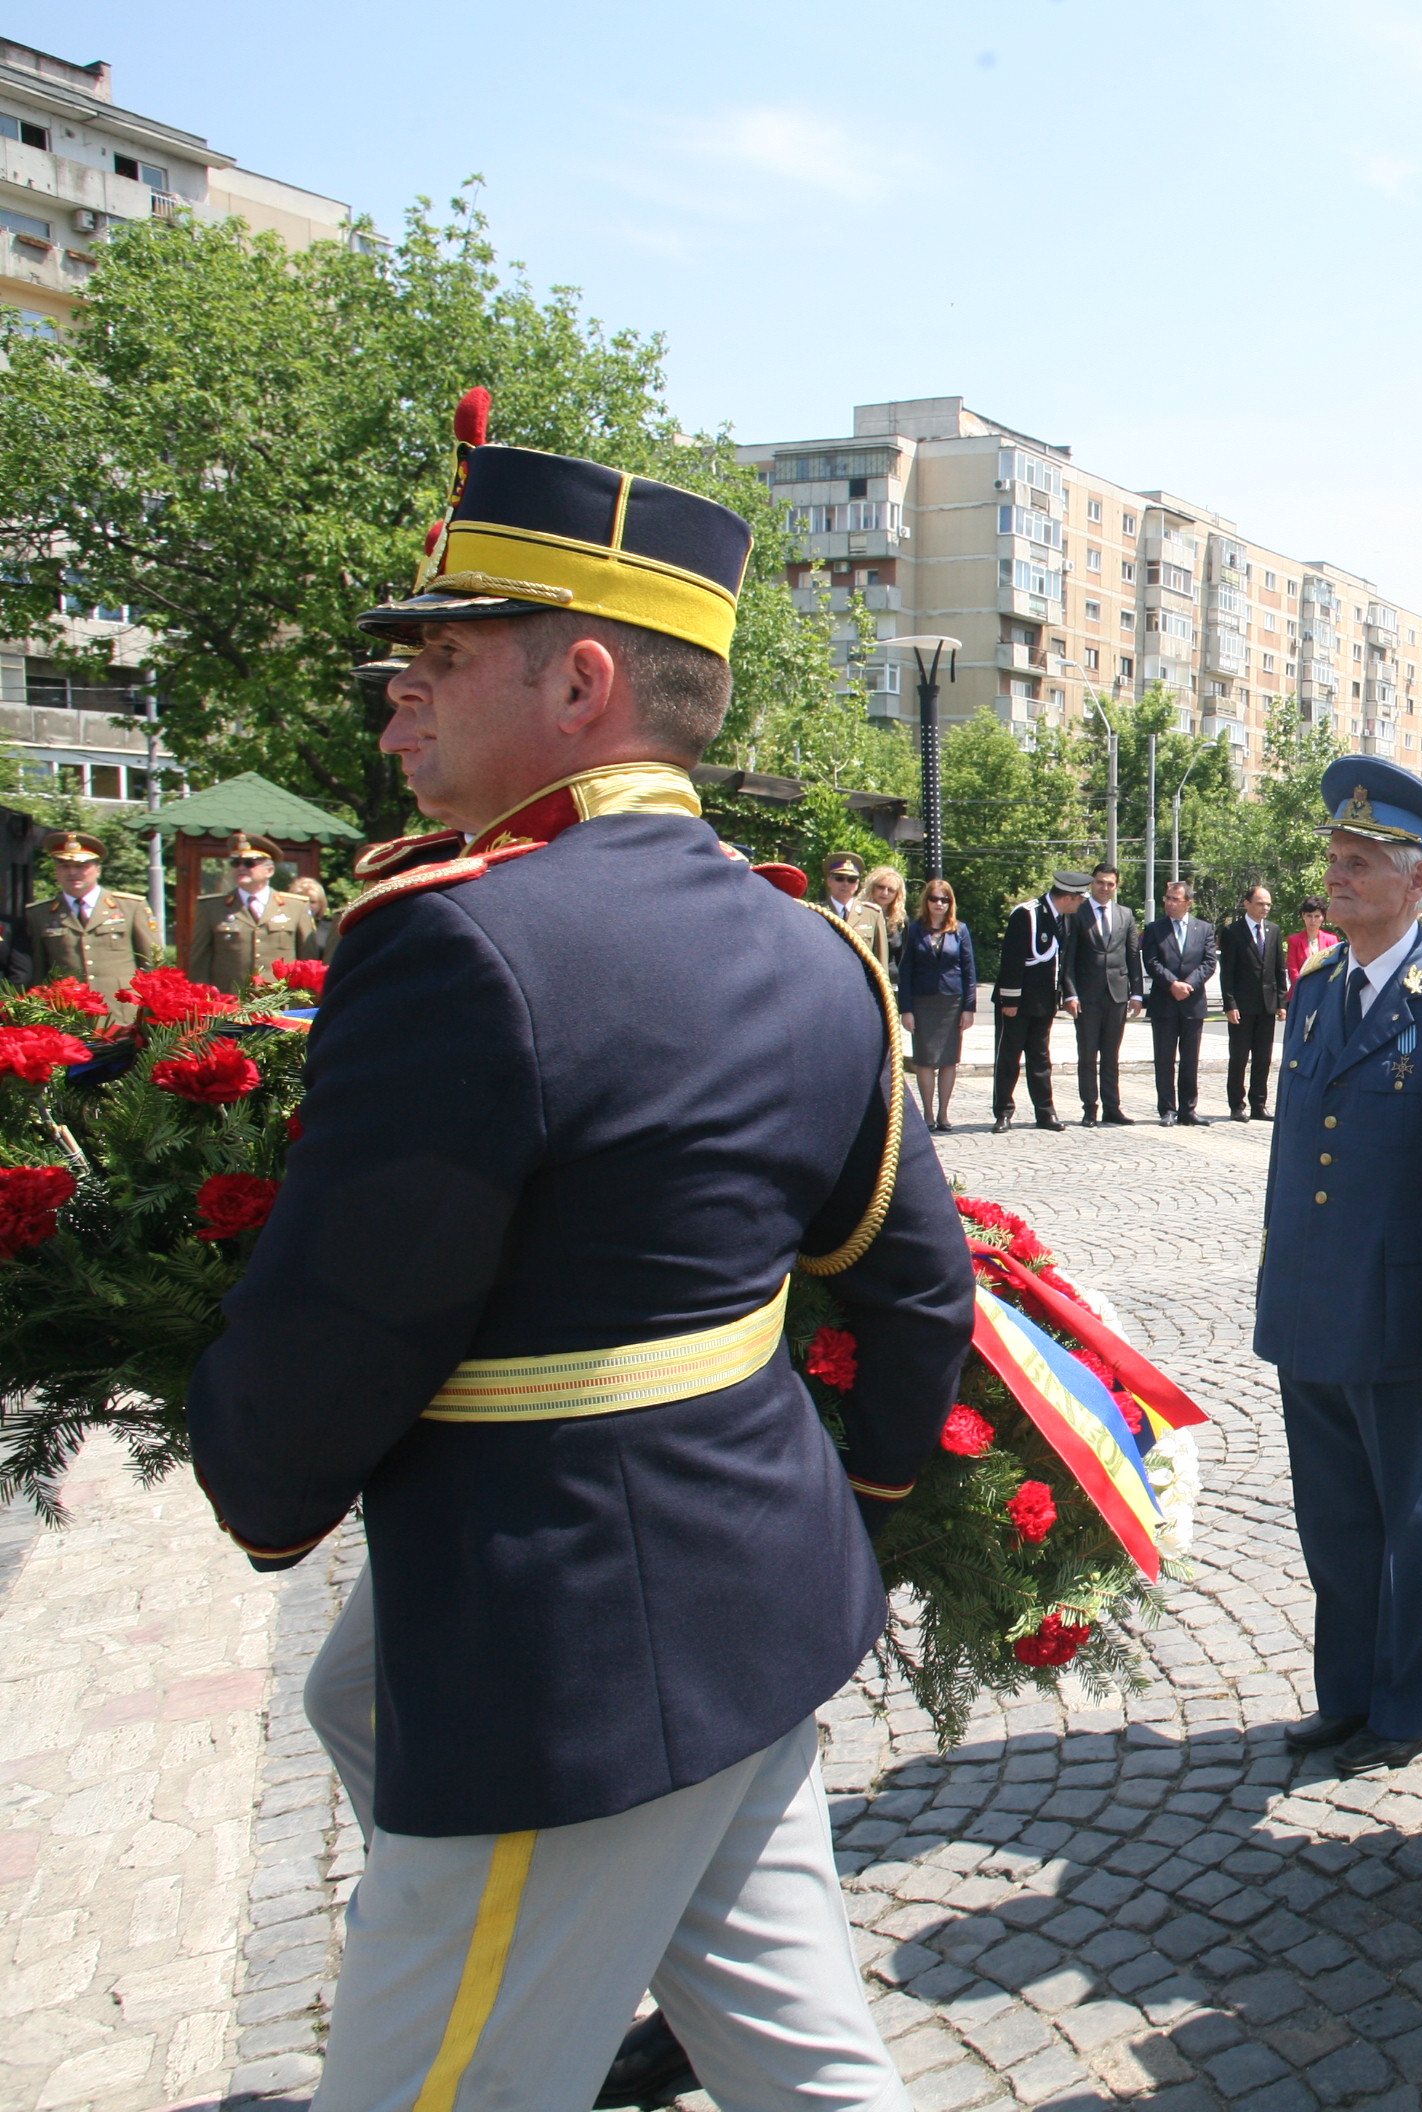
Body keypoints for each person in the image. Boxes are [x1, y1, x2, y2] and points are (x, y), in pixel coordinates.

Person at [188, 428, 971, 2108]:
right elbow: (912, 1277)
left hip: (570, 1654)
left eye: (442, 657)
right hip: (747, 1586)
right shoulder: (815, 950)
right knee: (799, 2057)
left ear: (585, 680)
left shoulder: (461, 941)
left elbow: (347, 1318)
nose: (396, 695)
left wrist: (256, 1473)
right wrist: (871, 1500)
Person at [1256, 759, 1422, 1771]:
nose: (1339, 877)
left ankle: (1413, 1703)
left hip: (1402, 1317)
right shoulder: (1316, 989)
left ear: (1418, 882)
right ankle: (1347, 1691)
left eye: (1361, 863)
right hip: (1315, 1304)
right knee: (1334, 1521)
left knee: (1412, 1523)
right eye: (1335, 859)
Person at [15, 830, 159, 1023]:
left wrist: (154, 1014)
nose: (72, 872)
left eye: (81, 866)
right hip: (68, 1016)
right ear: (56, 870)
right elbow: (39, 972)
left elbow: (153, 964)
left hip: (123, 1016)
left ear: (98, 869)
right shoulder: (39, 913)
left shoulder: (131, 907)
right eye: (64, 866)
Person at [992, 872, 1087, 1134]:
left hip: (1044, 1001)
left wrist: (1065, 995)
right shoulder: (1027, 914)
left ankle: (1045, 1113)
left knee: (1041, 1060)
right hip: (1018, 1001)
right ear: (1068, 897)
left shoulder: (1064, 919)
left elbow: (1061, 962)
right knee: (1009, 1058)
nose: (1081, 904)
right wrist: (1010, 999)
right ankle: (1003, 1112)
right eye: (1079, 899)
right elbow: (1011, 958)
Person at [187, 831, 322, 991]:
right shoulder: (212, 907)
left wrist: (306, 1001)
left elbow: (308, 962)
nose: (241, 868)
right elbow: (199, 963)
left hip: (280, 1004)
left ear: (269, 871)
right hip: (230, 1004)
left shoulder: (296, 907)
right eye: (235, 863)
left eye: (250, 863)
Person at [896, 876, 977, 1131]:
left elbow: (968, 970)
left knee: (949, 1060)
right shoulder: (913, 930)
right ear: (926, 901)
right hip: (922, 1002)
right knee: (925, 1060)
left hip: (952, 1001)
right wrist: (905, 1009)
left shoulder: (960, 930)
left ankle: (943, 1114)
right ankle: (928, 1114)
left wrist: (969, 1008)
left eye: (945, 899)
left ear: (950, 903)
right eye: (934, 899)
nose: (939, 904)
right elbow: (905, 970)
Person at [1068, 862, 1144, 1125]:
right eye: (1100, 882)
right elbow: (1069, 957)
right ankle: (1090, 1108)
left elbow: (1133, 955)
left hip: (1117, 994)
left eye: (1110, 883)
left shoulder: (1125, 914)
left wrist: (1138, 994)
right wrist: (1070, 994)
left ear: (1117, 886)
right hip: (1087, 996)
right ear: (1092, 883)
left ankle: (1113, 1107)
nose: (1105, 887)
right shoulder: (1078, 912)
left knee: (1111, 1055)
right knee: (1088, 1054)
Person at [1141, 877, 1218, 1125]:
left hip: (1192, 1004)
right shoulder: (1155, 929)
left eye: (1176, 899)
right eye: (1168, 899)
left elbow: (1209, 962)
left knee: (1190, 1060)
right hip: (1164, 1001)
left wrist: (1189, 985)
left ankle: (1188, 1109)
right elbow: (1151, 962)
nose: (1170, 903)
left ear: (1188, 903)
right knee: (1164, 1059)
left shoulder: (1204, 929)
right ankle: (1167, 1109)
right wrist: (1172, 984)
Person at [1220, 883, 1283, 1120]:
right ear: (1247, 904)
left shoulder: (1274, 931)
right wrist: (1230, 1004)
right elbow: (1227, 972)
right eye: (1260, 903)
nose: (1265, 908)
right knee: (1239, 1058)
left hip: (1267, 1005)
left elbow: (1278, 968)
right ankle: (1237, 1105)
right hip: (1242, 1007)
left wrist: (1281, 1002)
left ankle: (1259, 1104)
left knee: (1263, 1058)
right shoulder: (1232, 932)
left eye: (1268, 904)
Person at [822, 852, 887, 958]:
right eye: (839, 878)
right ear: (829, 881)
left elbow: (881, 959)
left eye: (851, 880)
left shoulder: (872, 914)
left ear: (857, 884)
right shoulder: (816, 913)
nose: (845, 883)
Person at [1284, 896, 1340, 990]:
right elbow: (1293, 970)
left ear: (1323, 917)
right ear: (1303, 916)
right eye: (1309, 916)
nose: (1313, 920)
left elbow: (1335, 969)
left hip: (1325, 991)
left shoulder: (1332, 940)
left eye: (1317, 916)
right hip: (1301, 991)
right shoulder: (1294, 940)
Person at [864, 864, 909, 954]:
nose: (885, 893)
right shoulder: (858, 913)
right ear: (872, 887)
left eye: (891, 890)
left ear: (897, 894)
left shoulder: (901, 920)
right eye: (880, 887)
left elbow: (902, 955)